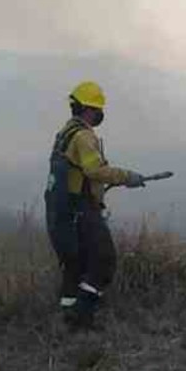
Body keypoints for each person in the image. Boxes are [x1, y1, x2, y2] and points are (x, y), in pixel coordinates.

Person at [44, 81, 146, 332]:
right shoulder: (84, 135)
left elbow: (80, 173)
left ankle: (70, 319)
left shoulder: (64, 133)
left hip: (61, 210)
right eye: (97, 109)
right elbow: (94, 170)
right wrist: (127, 176)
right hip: (81, 209)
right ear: (87, 109)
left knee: (75, 265)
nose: (100, 114)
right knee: (104, 261)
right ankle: (82, 313)